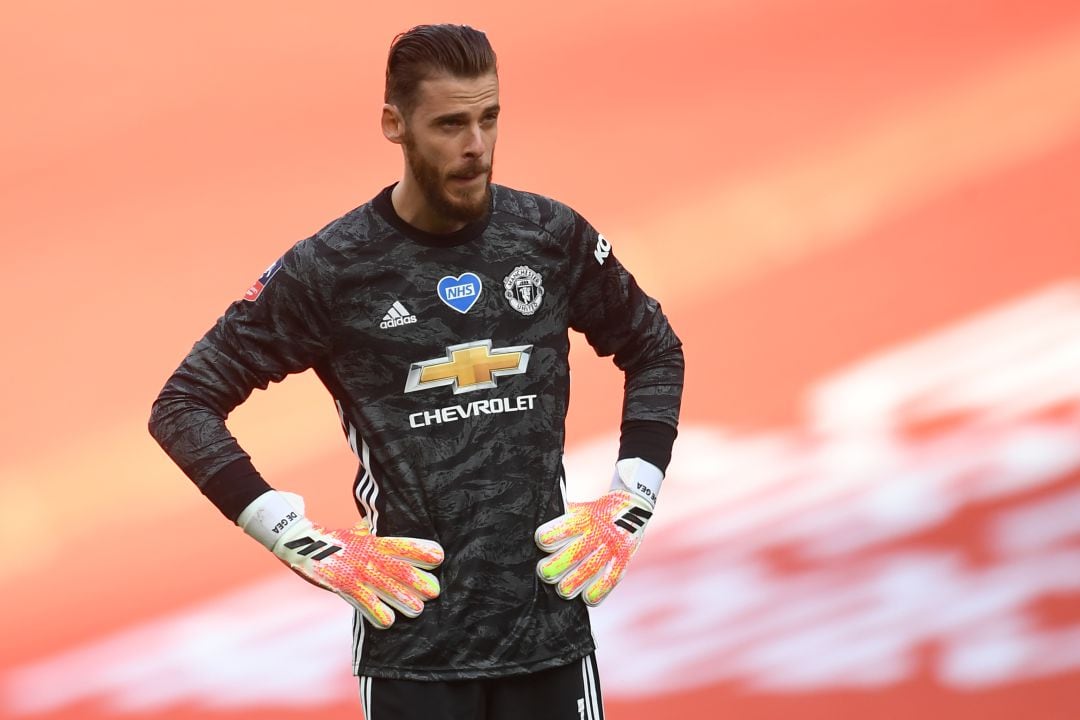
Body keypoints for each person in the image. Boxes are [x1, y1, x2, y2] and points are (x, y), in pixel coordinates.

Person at [149, 23, 683, 720]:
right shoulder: (334, 270)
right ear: (393, 125)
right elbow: (184, 403)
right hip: (415, 657)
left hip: (549, 640)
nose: (476, 147)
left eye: (490, 118)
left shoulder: (550, 238)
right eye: (450, 124)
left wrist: (630, 502)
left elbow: (654, 347)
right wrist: (293, 536)